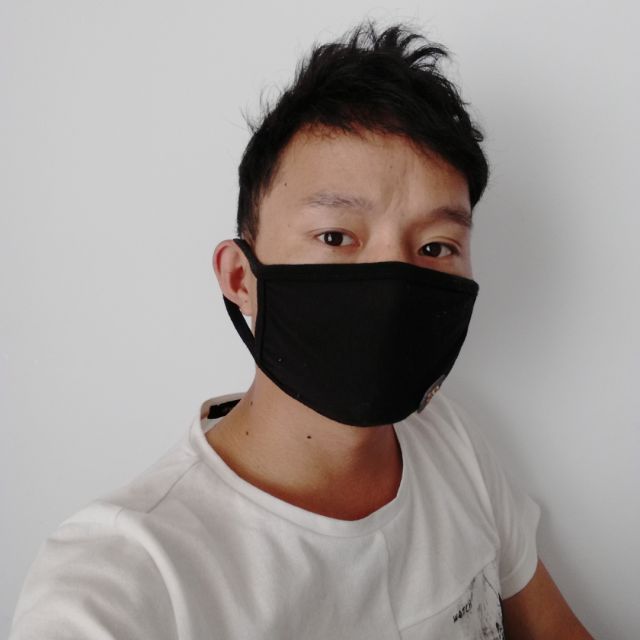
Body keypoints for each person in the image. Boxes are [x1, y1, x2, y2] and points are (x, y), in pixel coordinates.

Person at [9, 21, 593, 639]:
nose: (393, 284)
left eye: (435, 246)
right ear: (241, 277)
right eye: (336, 237)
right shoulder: (127, 579)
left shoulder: (448, 439)